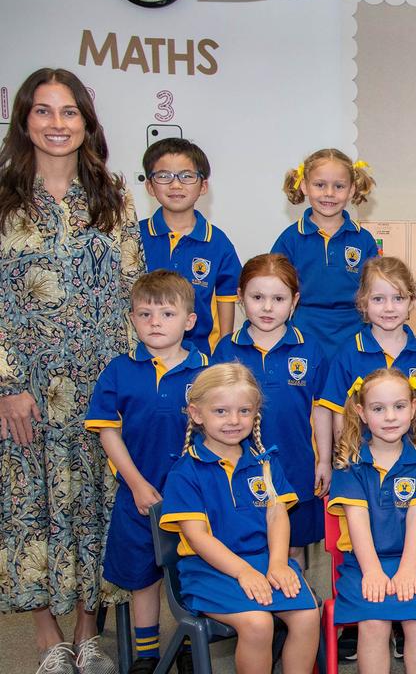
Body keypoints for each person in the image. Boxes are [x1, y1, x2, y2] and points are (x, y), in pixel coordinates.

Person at [0, 67, 145, 674]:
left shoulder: (114, 196)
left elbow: (135, 288)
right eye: (43, 111)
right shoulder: (3, 198)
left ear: (87, 122)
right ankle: (45, 638)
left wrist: (137, 379)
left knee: (96, 504)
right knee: (32, 505)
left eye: (69, 113)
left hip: (102, 378)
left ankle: (88, 632)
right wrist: (7, 386)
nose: (56, 124)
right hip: (27, 381)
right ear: (24, 120)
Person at [159, 363, 320, 674]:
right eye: (221, 411)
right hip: (208, 570)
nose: (234, 420)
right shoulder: (185, 471)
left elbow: (277, 516)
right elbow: (197, 537)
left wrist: (277, 563)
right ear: (196, 414)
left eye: (244, 411)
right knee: (258, 623)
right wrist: (244, 571)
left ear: (255, 412)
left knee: (308, 615)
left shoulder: (265, 462)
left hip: (264, 561)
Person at [85, 272, 208, 674]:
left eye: (167, 313)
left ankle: (191, 643)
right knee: (143, 577)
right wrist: (136, 484)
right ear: (133, 319)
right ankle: (148, 655)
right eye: (145, 313)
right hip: (138, 495)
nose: (155, 322)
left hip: (194, 495)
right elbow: (106, 429)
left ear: (188, 321)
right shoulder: (120, 370)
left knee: (193, 568)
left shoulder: (207, 370)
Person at [328, 367, 416, 674]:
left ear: (414, 407)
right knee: (374, 624)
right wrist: (372, 572)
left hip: (414, 559)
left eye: (399, 406)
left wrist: (408, 569)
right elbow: (357, 522)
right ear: (362, 413)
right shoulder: (349, 463)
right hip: (364, 562)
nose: (390, 417)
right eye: (378, 409)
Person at [211, 254, 332, 555]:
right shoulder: (226, 349)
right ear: (240, 298)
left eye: (278, 298)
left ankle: (293, 600)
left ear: (294, 301)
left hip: (296, 465)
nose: (267, 307)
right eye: (257, 297)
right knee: (247, 548)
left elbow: (321, 409)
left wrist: (325, 460)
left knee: (291, 551)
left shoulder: (310, 348)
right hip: (238, 469)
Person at [320, 257, 416, 457]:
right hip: (360, 466)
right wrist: (345, 458)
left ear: (412, 301)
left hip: (414, 469)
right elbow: (338, 411)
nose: (389, 308)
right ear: (363, 302)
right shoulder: (348, 353)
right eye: (378, 299)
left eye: (398, 298)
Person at [139, 137, 242, 357]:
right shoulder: (134, 236)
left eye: (186, 176)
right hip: (142, 354)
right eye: (164, 176)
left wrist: (223, 356)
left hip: (200, 358)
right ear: (149, 185)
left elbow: (226, 302)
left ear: (203, 186)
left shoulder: (217, 243)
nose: (175, 185)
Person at [271, 148, 379, 354]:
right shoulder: (290, 238)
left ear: (352, 190)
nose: (329, 193)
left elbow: (376, 289)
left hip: (354, 332)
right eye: (320, 185)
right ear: (304, 185)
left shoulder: (363, 239)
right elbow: (273, 288)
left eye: (339, 186)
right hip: (303, 330)